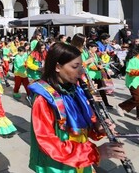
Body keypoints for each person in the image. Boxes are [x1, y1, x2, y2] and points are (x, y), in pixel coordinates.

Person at [28, 43, 126, 172]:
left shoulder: (76, 89)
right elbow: (47, 142)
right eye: (75, 66)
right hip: (60, 165)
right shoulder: (43, 99)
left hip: (81, 159)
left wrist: (99, 127)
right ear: (58, 67)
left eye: (81, 66)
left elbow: (83, 126)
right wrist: (95, 152)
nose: (81, 71)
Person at [117, 48, 139, 119]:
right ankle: (121, 106)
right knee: (137, 98)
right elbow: (129, 71)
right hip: (133, 82)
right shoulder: (132, 60)